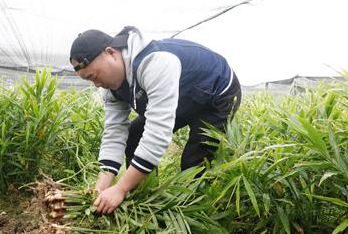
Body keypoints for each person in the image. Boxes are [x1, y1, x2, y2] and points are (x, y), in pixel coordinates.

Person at [69, 26, 241, 214]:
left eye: (94, 76)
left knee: (194, 161)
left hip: (216, 94)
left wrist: (120, 188)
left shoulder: (155, 62)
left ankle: (192, 216)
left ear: (111, 53)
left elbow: (157, 133)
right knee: (133, 136)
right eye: (90, 81)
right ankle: (146, 203)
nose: (97, 84)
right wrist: (101, 186)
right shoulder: (111, 87)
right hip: (182, 98)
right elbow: (115, 132)